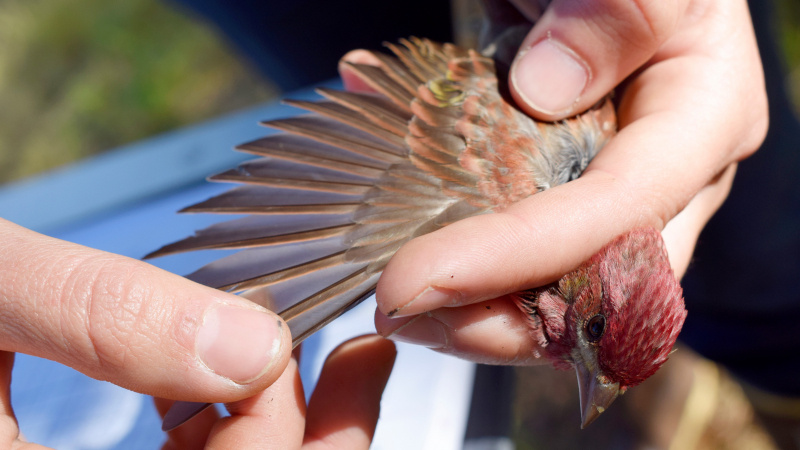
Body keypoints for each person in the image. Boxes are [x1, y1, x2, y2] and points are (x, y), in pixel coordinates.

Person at [0, 0, 771, 448]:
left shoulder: (595, 225)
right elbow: (362, 214)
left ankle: (773, 377)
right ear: (590, 292)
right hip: (497, 65)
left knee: (757, 240)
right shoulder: (504, 187)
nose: (588, 387)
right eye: (592, 346)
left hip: (588, 46)